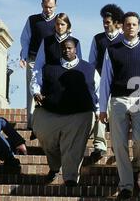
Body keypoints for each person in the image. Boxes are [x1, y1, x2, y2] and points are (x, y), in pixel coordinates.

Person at [99, 12, 140, 199]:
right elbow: (105, 80)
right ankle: (126, 184)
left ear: (138, 27)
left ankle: (139, 168)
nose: (131, 27)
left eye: (134, 24)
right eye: (127, 24)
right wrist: (102, 107)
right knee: (119, 144)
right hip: (118, 100)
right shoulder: (112, 49)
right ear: (122, 27)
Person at [31, 38, 100, 186]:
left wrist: (100, 110)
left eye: (69, 48)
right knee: (47, 141)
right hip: (52, 112)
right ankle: (55, 167)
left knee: (73, 147)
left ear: (76, 49)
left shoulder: (89, 69)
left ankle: (70, 179)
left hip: (80, 114)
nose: (66, 51)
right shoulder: (48, 68)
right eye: (63, 49)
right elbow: (35, 81)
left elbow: (98, 90)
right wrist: (36, 92)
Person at [88, 4, 125, 163]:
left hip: (119, 84)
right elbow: (91, 61)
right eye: (104, 21)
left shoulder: (124, 39)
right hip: (101, 82)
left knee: (118, 119)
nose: (105, 24)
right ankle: (99, 147)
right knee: (100, 113)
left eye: (108, 22)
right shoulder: (98, 39)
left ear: (116, 23)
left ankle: (118, 149)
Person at [20, 0, 58, 130]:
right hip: (33, 59)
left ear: (55, 6)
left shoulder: (60, 21)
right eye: (46, 7)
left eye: (51, 7)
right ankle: (31, 123)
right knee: (32, 90)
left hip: (52, 62)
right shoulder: (33, 20)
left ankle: (49, 122)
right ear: (42, 5)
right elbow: (25, 39)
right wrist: (23, 56)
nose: (48, 10)